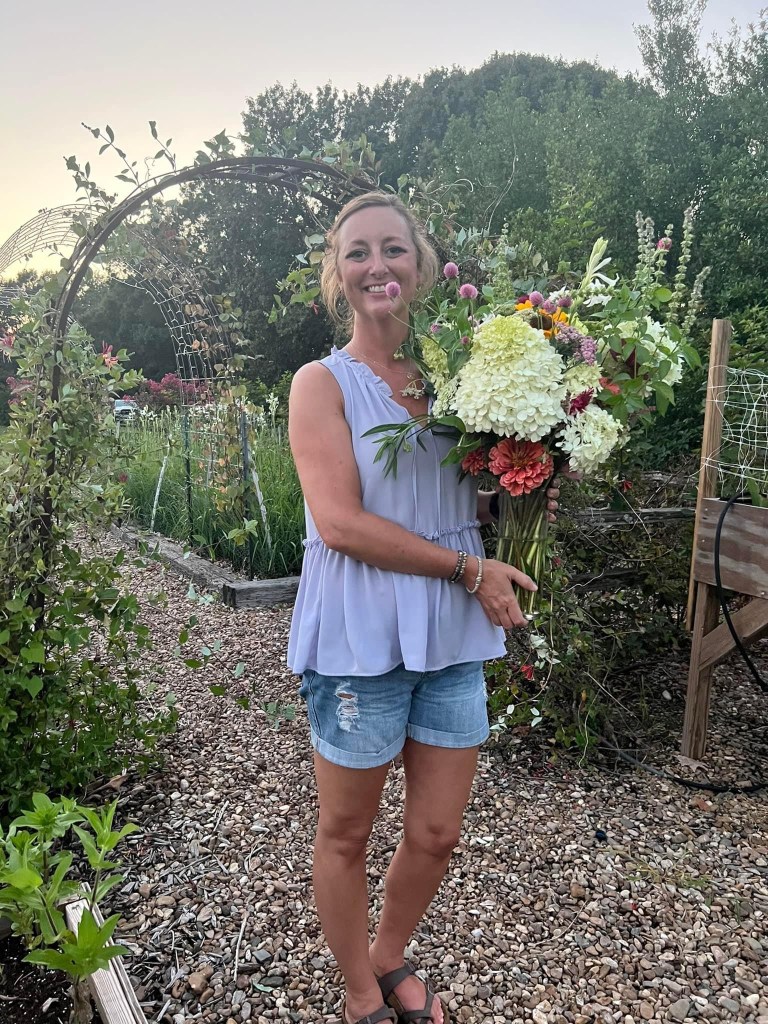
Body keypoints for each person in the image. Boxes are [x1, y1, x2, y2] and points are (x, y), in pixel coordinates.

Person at [287, 192, 560, 1024]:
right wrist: (470, 568)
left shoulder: (457, 382)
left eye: (394, 249)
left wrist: (525, 482)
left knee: (438, 832)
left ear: (423, 266)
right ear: (338, 274)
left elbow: (460, 498)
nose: (378, 266)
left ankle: (388, 954)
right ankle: (357, 992)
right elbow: (340, 523)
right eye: (358, 252)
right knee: (347, 832)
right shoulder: (321, 384)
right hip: (362, 635)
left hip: (448, 634)